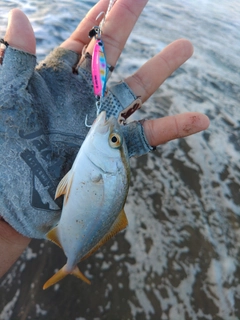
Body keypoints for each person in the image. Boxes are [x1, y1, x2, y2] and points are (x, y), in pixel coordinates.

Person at [0, 0, 209, 278]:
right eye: (115, 140)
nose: (112, 133)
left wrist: (11, 219)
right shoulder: (102, 162)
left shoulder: (102, 164)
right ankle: (71, 263)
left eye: (113, 141)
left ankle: (71, 263)